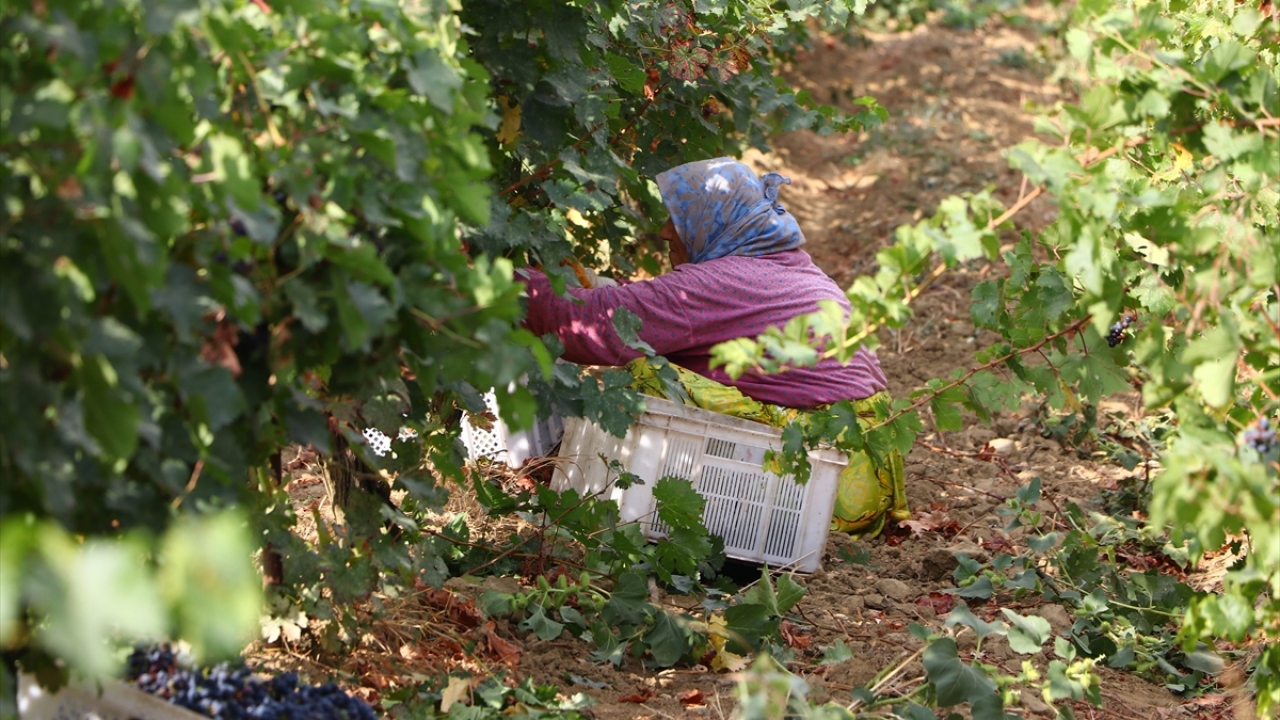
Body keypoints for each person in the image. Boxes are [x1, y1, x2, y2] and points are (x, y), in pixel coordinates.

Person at [521, 157, 908, 537]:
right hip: (867, 473)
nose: (665, 232)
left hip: (824, 486)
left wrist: (501, 284)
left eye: (678, 217)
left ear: (711, 222)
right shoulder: (787, 267)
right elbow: (660, 313)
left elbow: (601, 328)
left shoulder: (720, 283)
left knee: (651, 379)